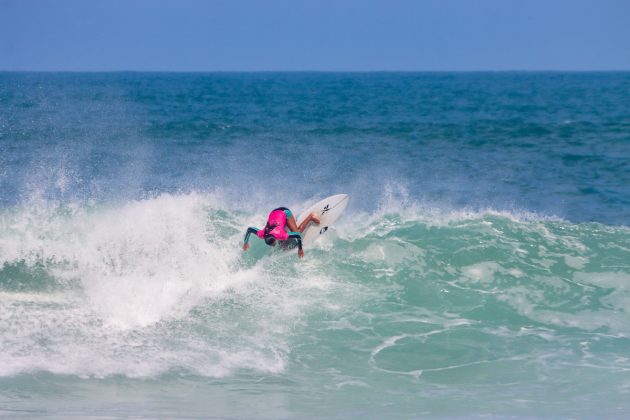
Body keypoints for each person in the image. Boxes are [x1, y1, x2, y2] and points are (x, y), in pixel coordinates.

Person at [242, 207, 320, 258]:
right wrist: (246, 242)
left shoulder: (279, 234)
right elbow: (249, 229)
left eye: (273, 244)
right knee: (283, 245)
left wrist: (300, 249)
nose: (273, 246)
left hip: (284, 212)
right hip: (274, 213)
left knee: (298, 231)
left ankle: (311, 216)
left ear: (275, 238)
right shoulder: (262, 233)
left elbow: (298, 235)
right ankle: (288, 224)